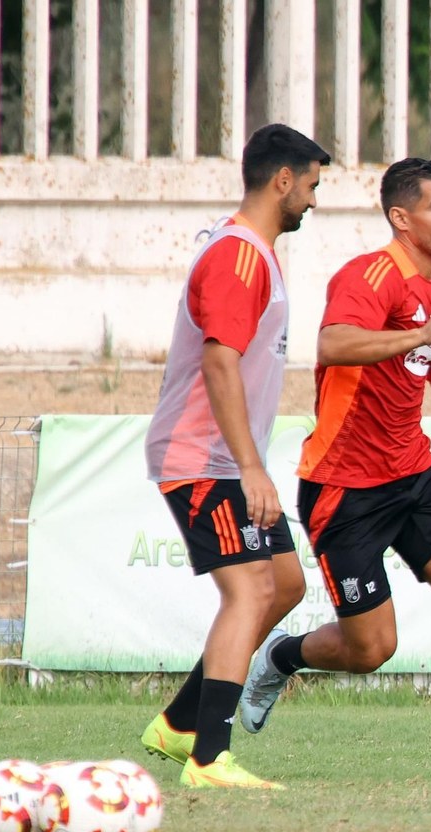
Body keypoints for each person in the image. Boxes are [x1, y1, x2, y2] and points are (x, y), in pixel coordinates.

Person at [237, 158, 431, 777]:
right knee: (372, 648)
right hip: (344, 485)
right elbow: (333, 343)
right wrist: (417, 336)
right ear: (401, 218)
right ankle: (281, 657)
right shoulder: (370, 274)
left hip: (414, 474)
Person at [140, 124, 330, 789]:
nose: (313, 200)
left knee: (284, 584)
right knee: (249, 590)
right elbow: (220, 363)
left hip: (228, 457)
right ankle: (207, 758)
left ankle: (179, 723)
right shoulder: (239, 256)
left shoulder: (254, 254)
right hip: (203, 459)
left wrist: (251, 462)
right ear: (283, 180)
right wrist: (251, 467)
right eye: (311, 186)